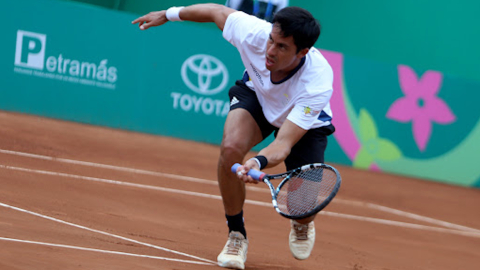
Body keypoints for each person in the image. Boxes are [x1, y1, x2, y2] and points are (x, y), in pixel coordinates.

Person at [132, 4, 335, 269]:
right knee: (230, 149)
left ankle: (302, 222)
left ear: (303, 52)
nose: (270, 51)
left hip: (303, 124)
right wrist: (168, 14)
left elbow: (283, 142)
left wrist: (258, 162)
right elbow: (216, 12)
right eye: (271, 40)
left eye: (282, 47)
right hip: (259, 96)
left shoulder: (317, 82)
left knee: (302, 207)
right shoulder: (254, 33)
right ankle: (236, 234)